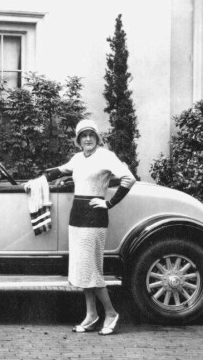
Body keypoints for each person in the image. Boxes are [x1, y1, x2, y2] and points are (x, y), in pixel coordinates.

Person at [35, 119, 136, 335]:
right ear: (78, 140)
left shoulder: (106, 156)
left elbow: (129, 178)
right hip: (77, 218)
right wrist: (39, 179)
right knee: (82, 269)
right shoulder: (78, 158)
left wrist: (108, 203)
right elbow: (60, 170)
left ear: (97, 138)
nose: (87, 139)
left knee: (92, 269)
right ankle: (91, 315)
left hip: (95, 218)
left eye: (91, 134)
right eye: (83, 135)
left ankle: (111, 312)